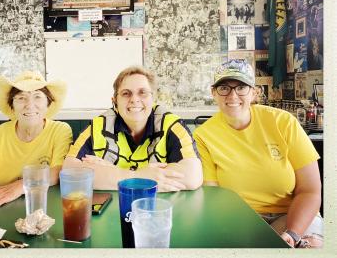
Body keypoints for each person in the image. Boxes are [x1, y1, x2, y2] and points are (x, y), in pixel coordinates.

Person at [193, 59, 323, 248]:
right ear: (214, 93)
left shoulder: (283, 122)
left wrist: (293, 234)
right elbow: (213, 196)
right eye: (224, 88)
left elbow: (310, 190)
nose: (232, 95)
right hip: (242, 220)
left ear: (254, 92)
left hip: (294, 216)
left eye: (241, 87)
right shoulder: (203, 135)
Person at [63, 66, 203, 192]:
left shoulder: (171, 125)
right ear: (114, 102)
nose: (134, 99)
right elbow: (69, 171)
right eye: (126, 93)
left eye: (143, 92)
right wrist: (138, 176)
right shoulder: (97, 126)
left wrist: (110, 171)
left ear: (153, 99)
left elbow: (193, 176)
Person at [0, 71, 73, 209]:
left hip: (39, 210)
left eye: (37, 96)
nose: (29, 105)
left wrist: (20, 185)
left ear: (48, 103)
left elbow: (58, 171)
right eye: (21, 98)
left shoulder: (60, 131)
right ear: (12, 105)